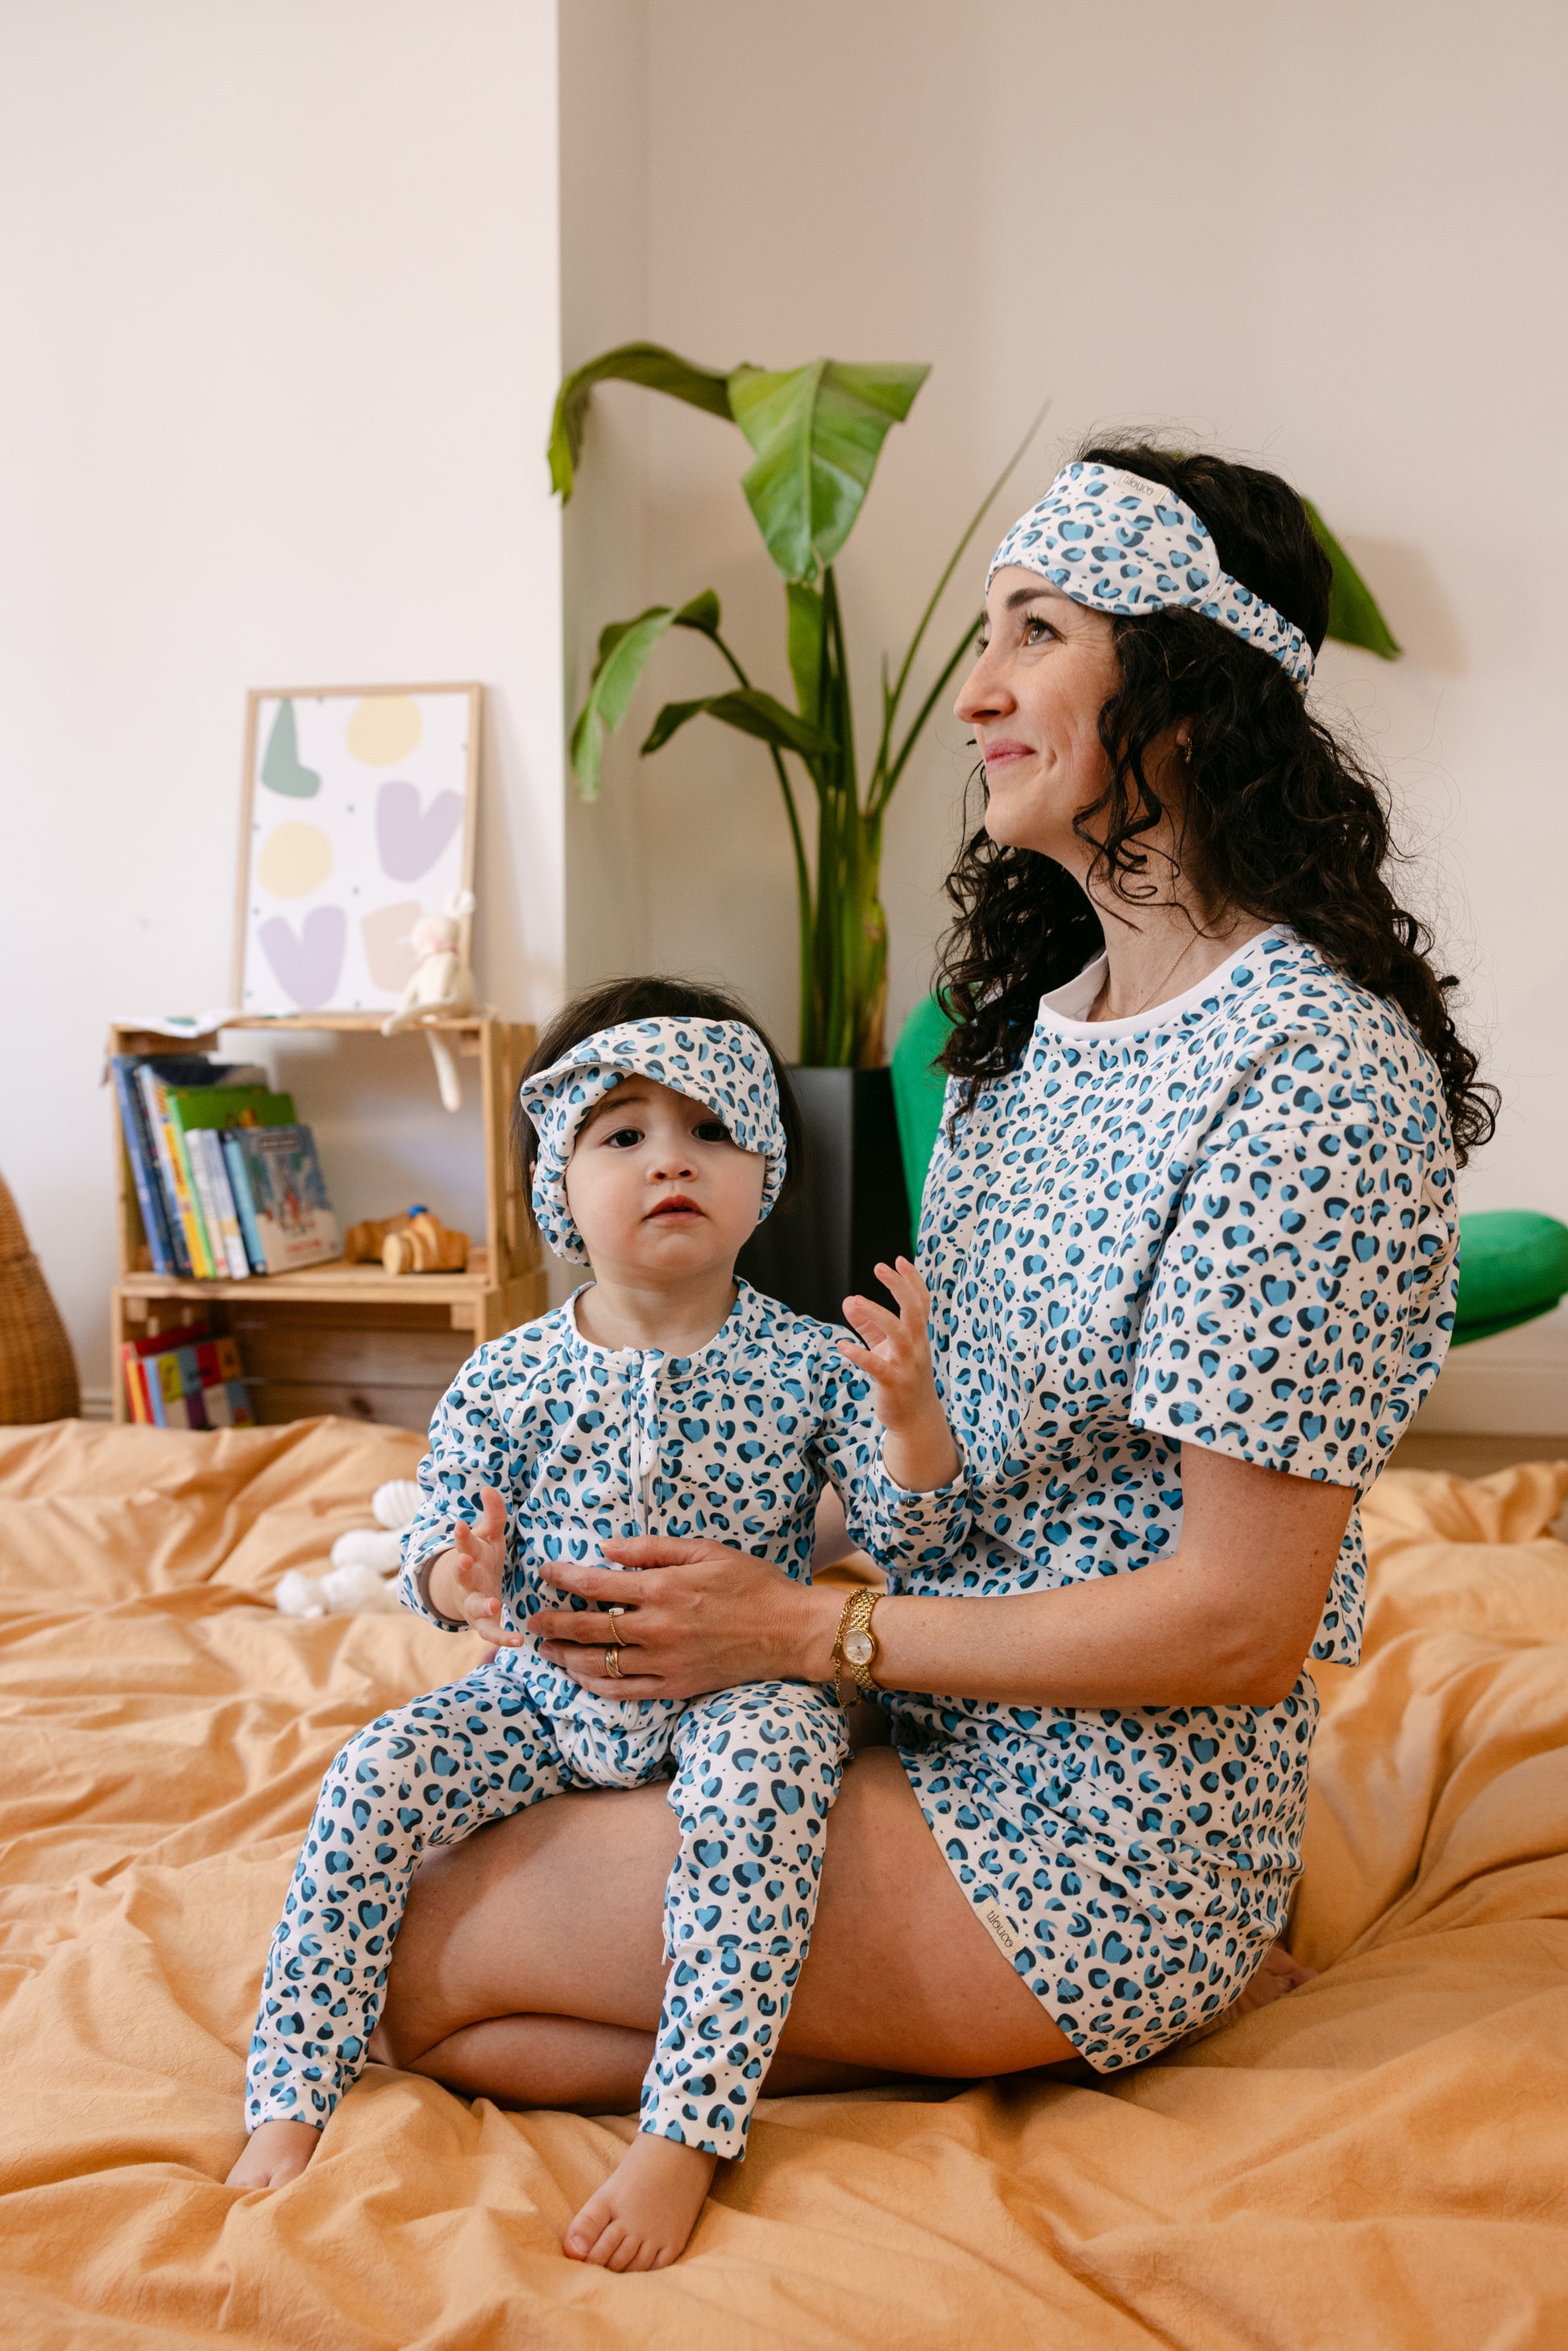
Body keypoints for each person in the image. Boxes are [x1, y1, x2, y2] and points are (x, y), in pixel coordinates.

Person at [362, 442, 1495, 2272]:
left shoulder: (1313, 1077)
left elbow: (1236, 1621)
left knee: (417, 1970)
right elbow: (948, 1464)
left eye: (1034, 632)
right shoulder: (1024, 1044)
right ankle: (961, 2028)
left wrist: (804, 1633)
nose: (975, 691)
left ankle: (1118, 1987)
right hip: (916, 1713)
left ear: (1187, 687)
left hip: (1091, 1826)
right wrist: (691, 1567)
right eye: (986, 636)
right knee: (407, 1911)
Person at [226, 981, 970, 2267]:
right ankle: (293, 2081)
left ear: (765, 1170)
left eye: (710, 1128)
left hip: (741, 1686)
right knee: (371, 1773)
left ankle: (687, 2126)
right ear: (555, 1185)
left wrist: (911, 1423)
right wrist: (457, 1578)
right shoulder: (508, 1373)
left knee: (765, 1779)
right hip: (542, 1693)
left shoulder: (808, 1362)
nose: (669, 1158)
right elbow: (437, 1534)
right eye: (622, 1133)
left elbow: (911, 1541)